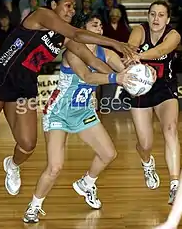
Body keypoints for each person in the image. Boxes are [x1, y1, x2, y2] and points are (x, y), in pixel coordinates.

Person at [0, 0, 137, 208]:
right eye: (68, 5)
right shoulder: (41, 15)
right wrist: (114, 42)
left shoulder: (64, 38)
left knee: (28, 144)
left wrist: (123, 78)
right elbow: (77, 33)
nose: (72, 9)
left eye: (74, 7)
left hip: (22, 87)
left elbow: (93, 62)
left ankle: (12, 164)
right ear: (54, 4)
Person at [22, 14, 153, 223]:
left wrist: (143, 74)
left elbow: (125, 71)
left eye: (101, 25)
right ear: (82, 30)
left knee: (108, 153)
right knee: (55, 167)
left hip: (83, 111)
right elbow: (88, 76)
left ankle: (86, 183)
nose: (99, 28)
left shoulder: (106, 52)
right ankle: (34, 206)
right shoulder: (72, 51)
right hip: (59, 112)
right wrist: (115, 78)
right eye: (94, 25)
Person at [124, 0, 181, 205]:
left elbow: (159, 52)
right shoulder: (140, 30)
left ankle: (174, 185)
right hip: (141, 88)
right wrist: (132, 55)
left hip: (165, 87)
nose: (156, 19)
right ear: (148, 16)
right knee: (145, 144)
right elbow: (130, 47)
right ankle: (147, 162)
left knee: (170, 129)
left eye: (161, 15)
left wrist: (138, 56)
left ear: (168, 18)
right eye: (153, 14)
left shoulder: (173, 35)